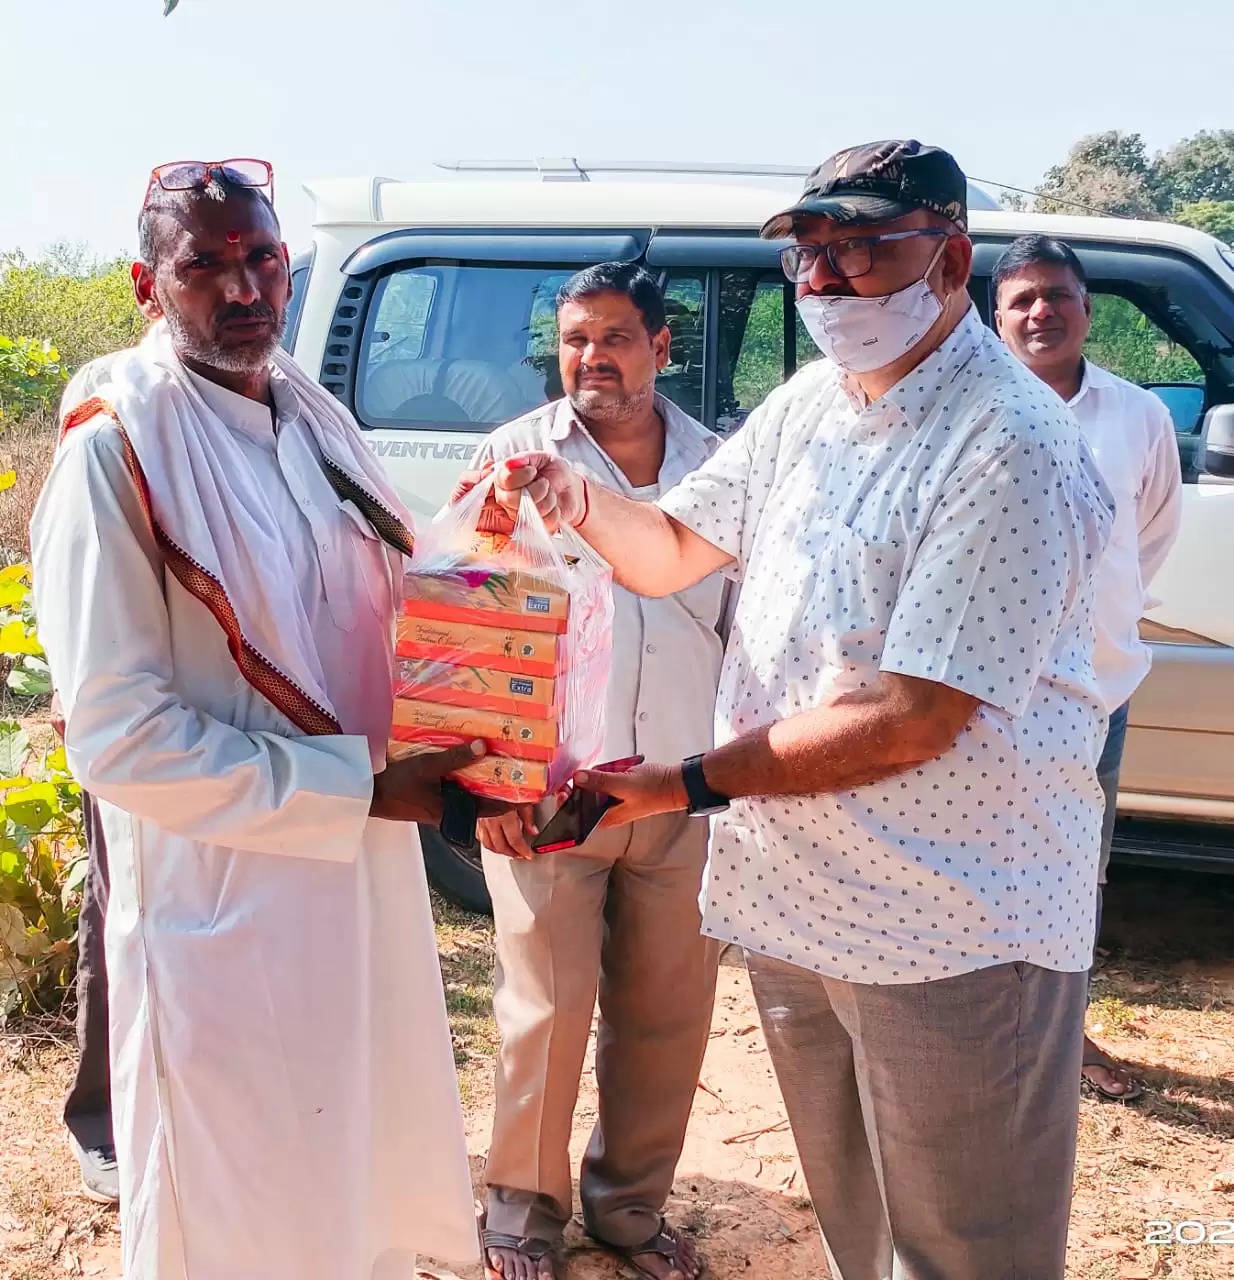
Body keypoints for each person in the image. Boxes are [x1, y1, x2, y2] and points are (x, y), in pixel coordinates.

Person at [468, 140, 1114, 1279]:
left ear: (950, 257)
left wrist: (678, 783)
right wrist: (579, 500)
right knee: (861, 1236)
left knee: (967, 1249)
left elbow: (911, 717)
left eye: (860, 251)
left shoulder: (1006, 440)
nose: (823, 281)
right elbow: (669, 546)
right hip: (803, 906)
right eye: (808, 256)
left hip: (950, 925)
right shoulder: (808, 404)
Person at [31, 160, 501, 1279]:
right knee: (238, 1194)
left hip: (356, 879)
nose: (243, 289)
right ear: (149, 284)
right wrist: (352, 787)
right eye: (206, 265)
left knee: (351, 1167)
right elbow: (116, 734)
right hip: (225, 900)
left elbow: (389, 590)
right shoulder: (116, 448)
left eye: (263, 259)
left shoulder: (310, 412)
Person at [472, 263, 725, 1280]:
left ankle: (629, 1208)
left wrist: (728, 778)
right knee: (542, 1002)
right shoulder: (511, 459)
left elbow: (755, 633)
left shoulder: (720, 468)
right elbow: (470, 620)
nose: (592, 358)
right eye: (575, 338)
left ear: (661, 348)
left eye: (616, 337)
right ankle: (520, 1213)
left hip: (679, 782)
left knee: (668, 1009)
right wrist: (481, 777)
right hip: (545, 788)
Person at [994, 234, 1182, 1102]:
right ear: (995, 317)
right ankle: (988, 1031)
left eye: (1055, 296)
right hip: (979, 695)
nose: (1040, 312)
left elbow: (1150, 537)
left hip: (1097, 688)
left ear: (1086, 309)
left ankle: (1065, 1034)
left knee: (1077, 865)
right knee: (974, 855)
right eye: (1022, 299)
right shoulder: (966, 409)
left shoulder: (1137, 415)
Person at [54, 358, 122, 1205]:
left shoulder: (269, 396)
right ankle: (100, 1122)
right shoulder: (108, 393)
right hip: (131, 723)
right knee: (116, 914)